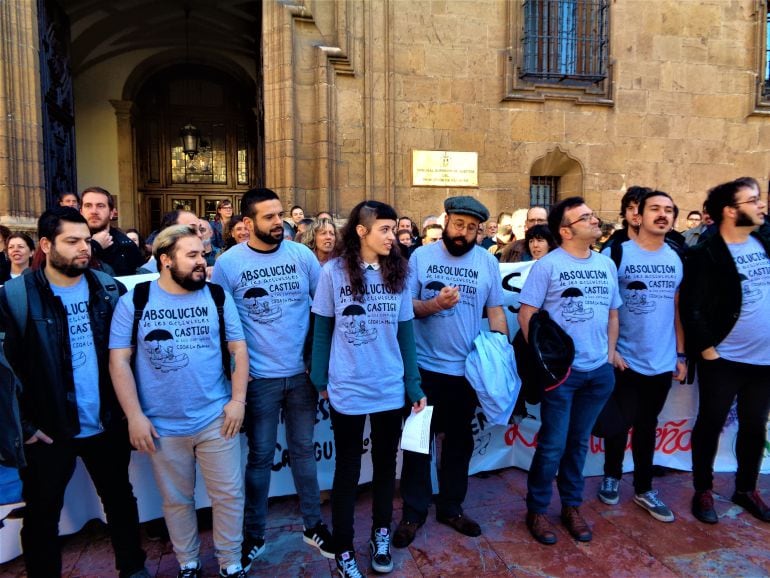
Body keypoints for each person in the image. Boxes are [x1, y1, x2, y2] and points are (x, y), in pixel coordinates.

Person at [0, 207, 148, 578]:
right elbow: (6, 370)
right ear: (47, 245)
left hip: (105, 422)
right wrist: (27, 425)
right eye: (72, 241)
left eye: (86, 239)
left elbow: (127, 355)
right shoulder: (17, 297)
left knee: (120, 501)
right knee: (42, 513)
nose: (84, 248)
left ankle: (133, 569)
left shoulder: (107, 287)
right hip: (49, 430)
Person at [110, 224, 250, 578]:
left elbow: (238, 349)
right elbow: (119, 361)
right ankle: (188, 562)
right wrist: (135, 416)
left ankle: (230, 562)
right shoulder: (136, 301)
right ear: (165, 260)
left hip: (216, 418)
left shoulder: (217, 297)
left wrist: (237, 401)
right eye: (192, 255)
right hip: (162, 425)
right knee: (176, 500)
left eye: (203, 254)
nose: (202, 261)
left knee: (229, 495)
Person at [211, 188, 333, 570]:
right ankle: (255, 534)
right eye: (268, 217)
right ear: (247, 223)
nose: (278, 223)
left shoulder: (302, 256)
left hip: (301, 376)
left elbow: (323, 312)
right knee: (260, 458)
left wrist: (320, 367)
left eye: (279, 215)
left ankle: (314, 525)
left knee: (304, 452)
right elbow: (224, 329)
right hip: (258, 379)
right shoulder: (228, 264)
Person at [310, 200, 426, 578]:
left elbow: (406, 332)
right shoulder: (332, 273)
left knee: (383, 467)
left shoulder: (401, 272)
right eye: (386, 230)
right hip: (348, 386)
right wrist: (319, 377)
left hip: (389, 387)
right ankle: (343, 548)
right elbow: (323, 328)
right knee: (346, 470)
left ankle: (380, 533)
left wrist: (413, 384)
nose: (394, 237)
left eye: (395, 230)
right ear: (361, 231)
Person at [394, 196, 508, 548]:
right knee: (418, 446)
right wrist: (434, 305)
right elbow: (405, 307)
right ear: (446, 222)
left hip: (467, 373)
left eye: (472, 228)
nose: (464, 232)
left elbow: (497, 312)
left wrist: (501, 357)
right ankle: (413, 513)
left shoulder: (487, 262)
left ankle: (451, 507)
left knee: (460, 444)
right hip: (423, 370)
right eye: (459, 224)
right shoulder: (421, 257)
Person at [518, 196, 621, 545]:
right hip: (562, 376)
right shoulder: (547, 265)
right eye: (586, 217)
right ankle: (537, 509)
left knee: (579, 444)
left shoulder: (606, 265)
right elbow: (527, 313)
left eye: (593, 214)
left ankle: (572, 507)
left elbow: (612, 313)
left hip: (598, 373)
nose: (595, 220)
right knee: (552, 445)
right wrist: (546, 364)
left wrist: (608, 356)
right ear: (565, 230)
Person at [680, 178, 770, 524]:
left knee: (755, 425)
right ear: (731, 211)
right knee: (710, 424)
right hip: (725, 360)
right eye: (753, 200)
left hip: (765, 361)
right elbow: (692, 306)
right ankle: (703, 489)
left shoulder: (766, 240)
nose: (761, 205)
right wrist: (707, 350)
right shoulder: (706, 253)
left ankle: (746, 489)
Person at [597, 191, 686, 522]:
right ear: (639, 215)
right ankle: (612, 476)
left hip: (663, 361)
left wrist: (680, 353)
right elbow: (603, 309)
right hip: (625, 360)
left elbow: (677, 309)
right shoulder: (616, 253)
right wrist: (612, 350)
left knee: (648, 425)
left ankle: (644, 489)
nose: (662, 215)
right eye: (655, 209)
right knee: (618, 424)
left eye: (668, 210)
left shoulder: (677, 256)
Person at [80, 186, 143, 277]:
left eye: (100, 206)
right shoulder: (70, 241)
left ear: (112, 213)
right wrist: (95, 246)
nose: (94, 211)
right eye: (88, 206)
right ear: (81, 212)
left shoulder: (127, 246)